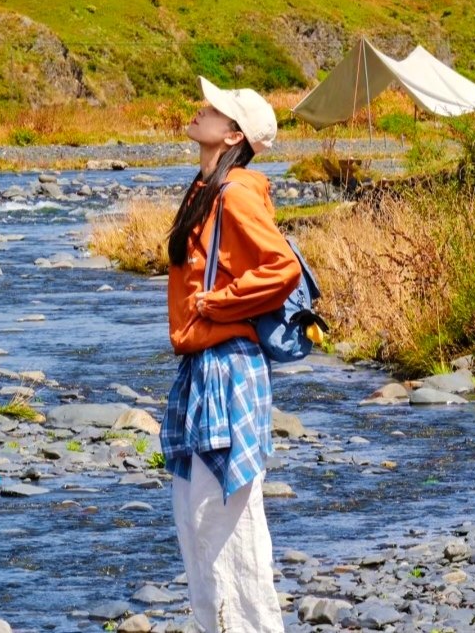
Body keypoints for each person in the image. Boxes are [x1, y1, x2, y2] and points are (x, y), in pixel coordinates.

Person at [161, 76, 302, 633]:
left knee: (224, 522)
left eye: (214, 109)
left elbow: (281, 267)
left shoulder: (236, 191)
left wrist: (217, 303)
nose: (200, 110)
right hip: (204, 367)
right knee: (198, 519)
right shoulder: (205, 189)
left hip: (226, 368)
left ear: (234, 133)